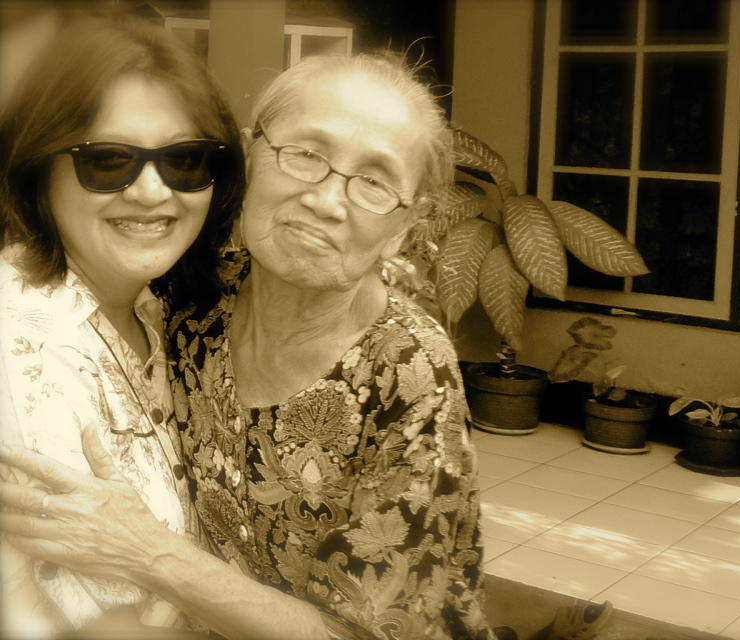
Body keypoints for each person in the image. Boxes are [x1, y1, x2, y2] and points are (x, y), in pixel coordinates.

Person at [1, 52, 500, 640]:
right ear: (248, 159)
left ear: (404, 227)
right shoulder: (190, 300)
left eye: (374, 181)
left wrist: (149, 551)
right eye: (306, 154)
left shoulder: (410, 375)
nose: (326, 201)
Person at [0, 16, 244, 639]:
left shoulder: (156, 310)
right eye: (108, 161)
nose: (152, 190)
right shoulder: (24, 339)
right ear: (38, 169)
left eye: (184, 160)